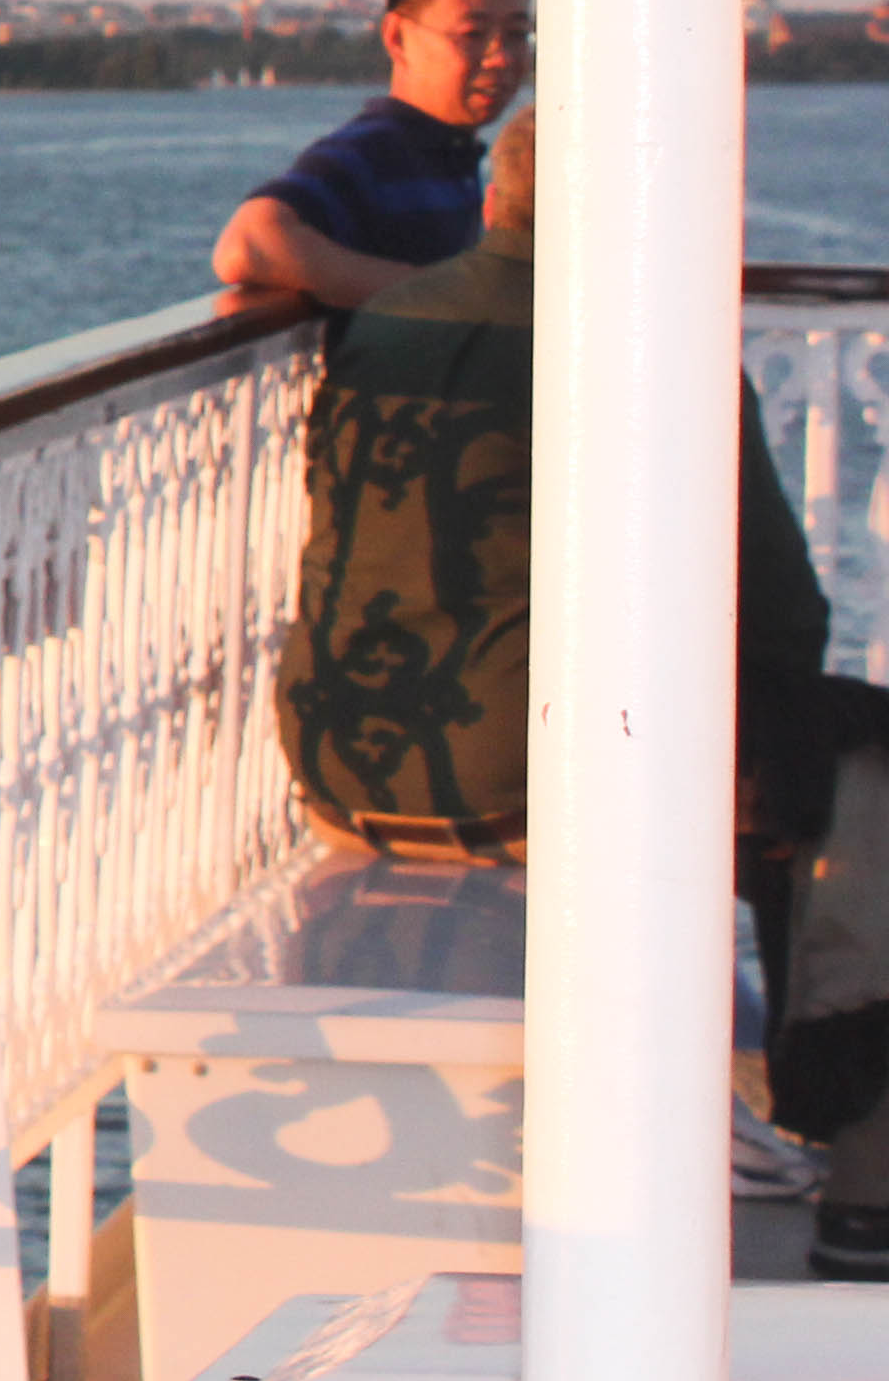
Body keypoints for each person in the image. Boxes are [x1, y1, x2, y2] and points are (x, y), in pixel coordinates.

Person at [275, 106, 889, 1254]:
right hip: (516, 785)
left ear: (495, 202)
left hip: (339, 762)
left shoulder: (386, 319)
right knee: (848, 760)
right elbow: (783, 613)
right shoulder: (648, 347)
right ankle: (853, 1164)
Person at [210, 0, 533, 306]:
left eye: (516, 34)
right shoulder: (373, 154)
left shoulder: (452, 154)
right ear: (397, 37)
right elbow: (247, 245)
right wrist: (437, 297)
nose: (501, 57)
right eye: (473, 34)